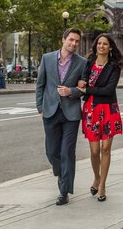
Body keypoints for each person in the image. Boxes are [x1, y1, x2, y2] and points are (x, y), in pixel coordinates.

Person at [35, 28, 87, 206]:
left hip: (71, 115)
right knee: (52, 152)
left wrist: (70, 91)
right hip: (50, 112)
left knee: (67, 153)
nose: (73, 44)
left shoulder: (82, 63)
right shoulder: (47, 58)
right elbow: (40, 84)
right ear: (63, 39)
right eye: (71, 40)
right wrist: (39, 106)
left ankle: (64, 191)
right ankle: (60, 172)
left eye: (77, 41)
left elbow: (83, 90)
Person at [78, 34, 123, 202]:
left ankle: (102, 184)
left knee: (105, 149)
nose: (101, 46)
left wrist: (87, 90)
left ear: (110, 47)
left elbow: (108, 90)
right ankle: (96, 177)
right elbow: (82, 81)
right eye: (99, 43)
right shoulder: (89, 63)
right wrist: (82, 84)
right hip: (91, 109)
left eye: (105, 44)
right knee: (94, 151)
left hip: (108, 109)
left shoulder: (114, 66)